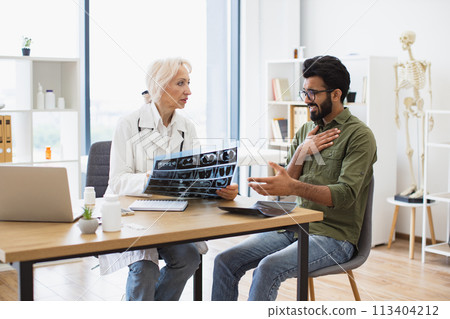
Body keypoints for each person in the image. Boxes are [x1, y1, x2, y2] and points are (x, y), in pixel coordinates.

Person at [211, 55, 377, 301]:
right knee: (225, 260)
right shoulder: (305, 131)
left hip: (334, 236)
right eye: (304, 92)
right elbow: (286, 183)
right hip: (294, 227)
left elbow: (344, 196)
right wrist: (301, 152)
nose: (307, 100)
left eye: (313, 93)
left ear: (336, 94)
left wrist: (293, 186)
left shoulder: (359, 136)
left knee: (268, 267)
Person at [99, 57, 238, 301]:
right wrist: (151, 177)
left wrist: (218, 187)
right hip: (134, 217)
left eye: (188, 83)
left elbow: (193, 181)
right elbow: (117, 182)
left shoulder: (187, 127)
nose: (189, 91)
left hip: (170, 217)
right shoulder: (128, 124)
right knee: (145, 269)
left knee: (188, 258)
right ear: (159, 86)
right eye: (181, 83)